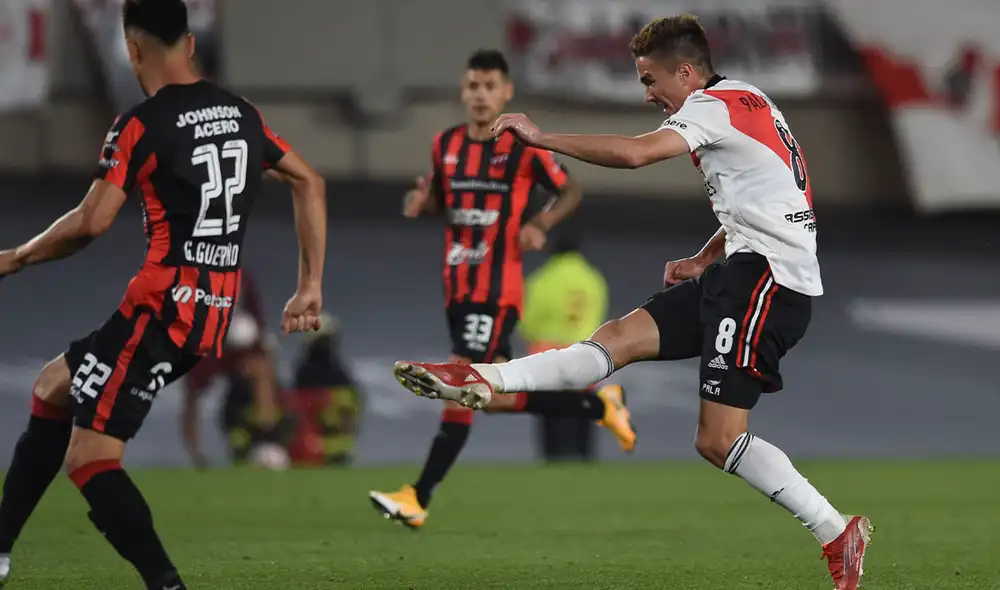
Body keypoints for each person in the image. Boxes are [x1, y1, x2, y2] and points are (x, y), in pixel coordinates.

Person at [391, 16, 871, 590]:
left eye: (651, 80)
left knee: (716, 440)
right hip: (743, 271)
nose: (648, 94)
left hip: (768, 284)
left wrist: (542, 138)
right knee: (615, 338)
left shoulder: (709, 108)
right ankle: (483, 378)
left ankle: (835, 530)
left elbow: (636, 154)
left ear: (687, 71)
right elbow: (773, 199)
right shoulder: (748, 100)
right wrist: (703, 258)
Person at [0, 1, 327, 588]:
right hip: (211, 312)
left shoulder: (141, 126)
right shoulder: (240, 114)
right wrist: (310, 286)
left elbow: (92, 221)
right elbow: (310, 181)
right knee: (54, 385)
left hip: (160, 309)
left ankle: (166, 584)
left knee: (91, 459)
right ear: (191, 43)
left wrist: (17, 257)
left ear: (131, 48)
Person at [368, 49, 636, 529]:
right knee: (490, 395)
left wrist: (540, 222)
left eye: (490, 86)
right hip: (457, 285)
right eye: (473, 86)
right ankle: (599, 403)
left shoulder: (521, 147)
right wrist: (422, 203)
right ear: (463, 91)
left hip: (498, 288)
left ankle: (418, 496)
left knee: (461, 379)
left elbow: (570, 190)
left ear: (506, 92)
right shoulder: (445, 144)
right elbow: (444, 205)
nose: (480, 94)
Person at [519, 234, 612, 461]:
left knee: (552, 412)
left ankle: (555, 458)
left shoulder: (542, 279)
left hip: (547, 353)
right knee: (582, 408)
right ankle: (583, 457)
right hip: (585, 353)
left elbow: (526, 319)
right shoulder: (593, 280)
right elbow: (599, 316)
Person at [181, 273, 286, 468]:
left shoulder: (243, 279)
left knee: (263, 370)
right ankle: (195, 453)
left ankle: (267, 438)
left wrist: (256, 335)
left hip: (240, 343)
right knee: (192, 392)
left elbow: (257, 313)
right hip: (207, 342)